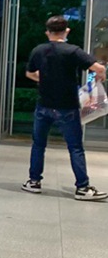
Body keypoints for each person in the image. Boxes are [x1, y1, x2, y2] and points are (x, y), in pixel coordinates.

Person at [21, 15, 107, 200]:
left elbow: (30, 73)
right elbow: (98, 68)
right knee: (75, 147)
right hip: (67, 107)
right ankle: (82, 188)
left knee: (38, 145)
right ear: (66, 31)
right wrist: (100, 76)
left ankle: (34, 182)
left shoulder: (38, 50)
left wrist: (45, 79)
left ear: (47, 32)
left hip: (44, 105)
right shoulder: (72, 51)